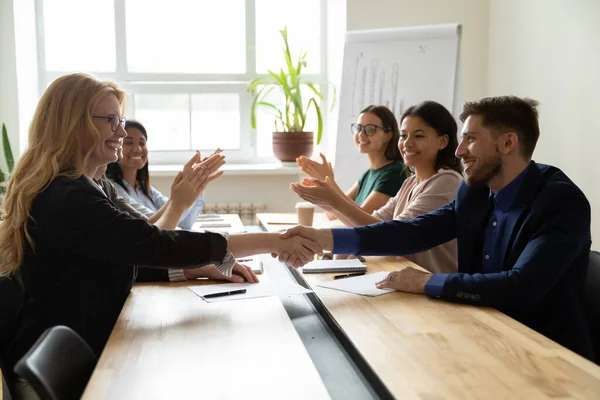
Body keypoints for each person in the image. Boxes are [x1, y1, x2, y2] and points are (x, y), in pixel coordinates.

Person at [0, 73, 322, 399]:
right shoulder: (68, 196)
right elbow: (154, 245)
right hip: (56, 376)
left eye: (120, 119)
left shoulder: (89, 186)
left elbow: (122, 255)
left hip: (80, 352)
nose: (122, 132)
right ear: (73, 124)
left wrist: (196, 267)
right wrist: (271, 242)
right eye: (110, 120)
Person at [280, 96, 594, 361]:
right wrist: (324, 238)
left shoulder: (560, 202)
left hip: (544, 351)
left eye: (470, 139)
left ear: (508, 143)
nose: (459, 152)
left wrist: (428, 282)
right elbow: (410, 233)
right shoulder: (475, 192)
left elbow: (521, 287)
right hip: (479, 328)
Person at [291, 101, 463, 273]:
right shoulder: (409, 183)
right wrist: (327, 199)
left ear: (442, 141)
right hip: (408, 277)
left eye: (418, 136)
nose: (407, 143)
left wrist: (333, 200)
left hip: (434, 285)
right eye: (403, 136)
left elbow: (392, 235)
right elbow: (372, 226)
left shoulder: (446, 182)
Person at [296, 105, 406, 217]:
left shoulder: (394, 173)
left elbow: (361, 218)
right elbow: (332, 214)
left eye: (370, 129)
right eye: (358, 128)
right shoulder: (368, 174)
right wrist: (325, 180)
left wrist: (329, 182)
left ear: (388, 135)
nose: (361, 135)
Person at [106, 120, 206, 229]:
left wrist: (199, 182)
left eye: (142, 143)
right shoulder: (114, 190)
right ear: (116, 147)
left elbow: (184, 223)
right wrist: (179, 195)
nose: (137, 149)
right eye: (129, 143)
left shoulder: (147, 189)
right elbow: (153, 223)